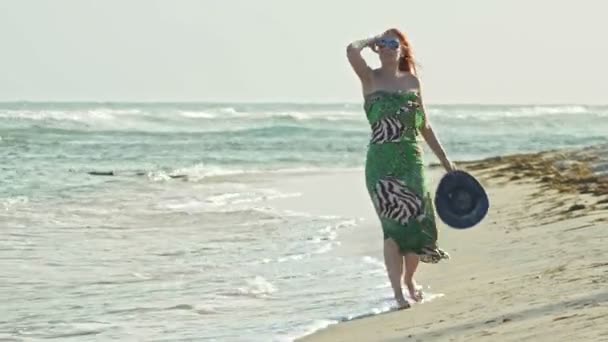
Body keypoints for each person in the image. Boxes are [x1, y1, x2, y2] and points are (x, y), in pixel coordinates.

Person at [346, 28, 454, 309]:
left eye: (393, 43)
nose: (387, 47)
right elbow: (350, 50)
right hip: (381, 165)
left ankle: (409, 280)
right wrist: (369, 41)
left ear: (403, 49)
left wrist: (446, 162)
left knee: (417, 224)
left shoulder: (412, 82)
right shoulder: (369, 77)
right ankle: (397, 292)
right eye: (382, 43)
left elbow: (424, 126)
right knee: (392, 228)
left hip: (411, 160)